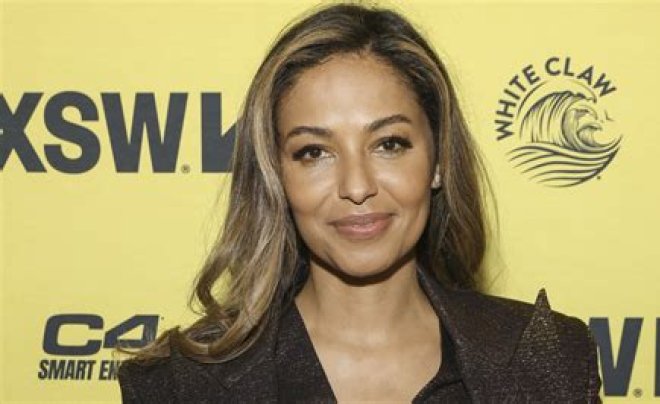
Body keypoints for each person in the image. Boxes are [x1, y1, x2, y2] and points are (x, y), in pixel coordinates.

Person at [117, 3, 602, 402]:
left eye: (389, 144)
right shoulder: (178, 385)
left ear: (437, 160)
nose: (356, 186)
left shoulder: (548, 362)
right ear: (277, 175)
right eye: (314, 152)